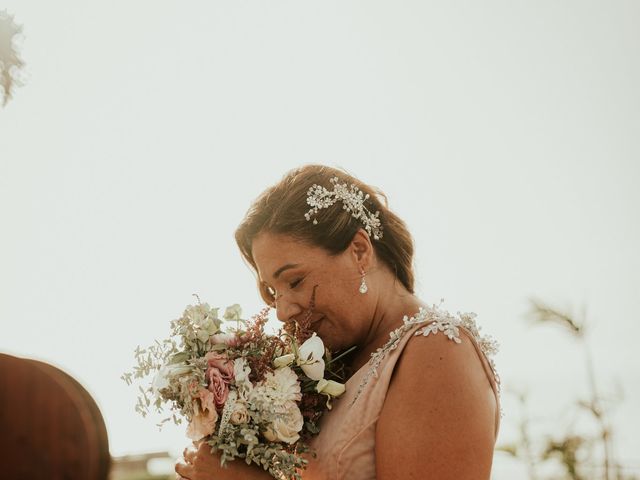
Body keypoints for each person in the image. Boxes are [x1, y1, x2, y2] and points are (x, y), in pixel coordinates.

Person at [176, 164, 501, 480]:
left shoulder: (437, 353)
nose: (282, 311)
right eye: (273, 292)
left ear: (359, 251)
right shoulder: (334, 366)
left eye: (295, 280)